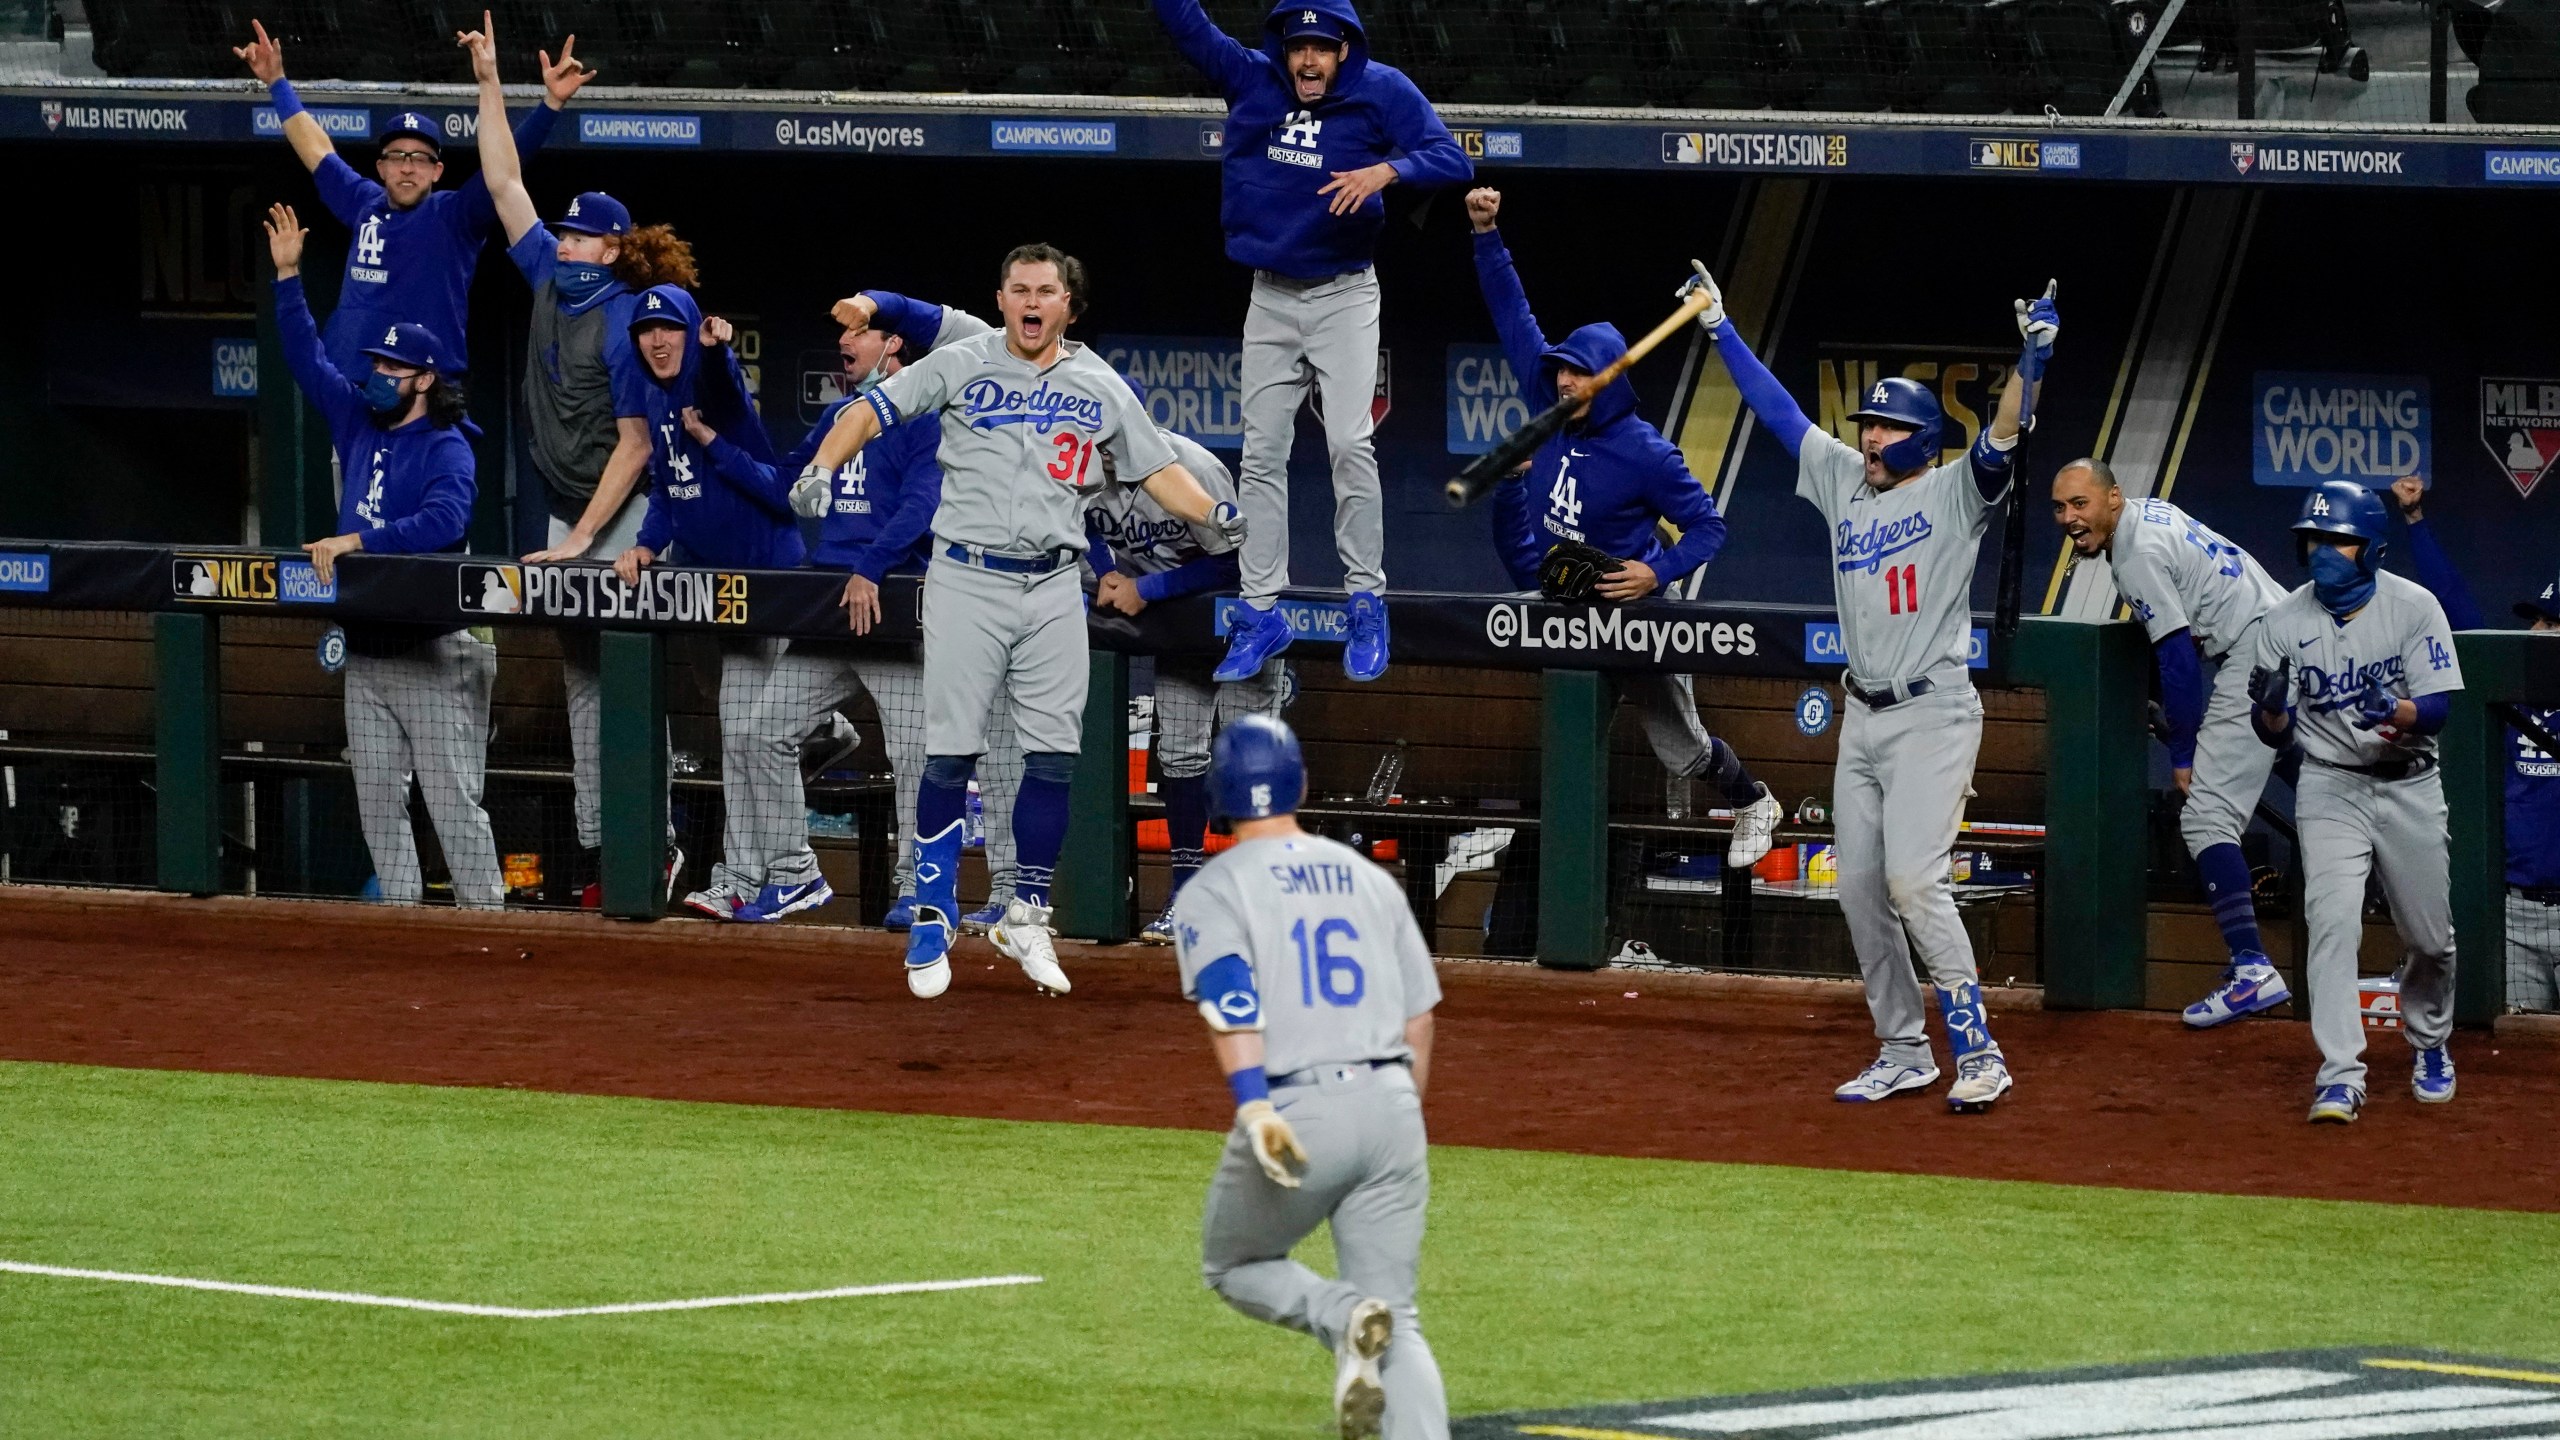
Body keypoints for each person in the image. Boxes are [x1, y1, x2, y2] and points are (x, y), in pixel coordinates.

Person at [800, 244, 1243, 999]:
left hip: (1052, 588)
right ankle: (935, 910)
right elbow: (872, 410)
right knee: (950, 755)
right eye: (1019, 289)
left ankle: (1026, 912)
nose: (1032, 302)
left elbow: (1156, 469)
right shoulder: (963, 360)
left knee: (1054, 758)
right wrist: (819, 468)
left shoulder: (1099, 383)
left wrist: (1213, 511)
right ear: (1001, 299)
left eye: (1046, 291)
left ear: (1069, 305)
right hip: (968, 576)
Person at [1698, 267, 2055, 1112]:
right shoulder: (1842, 482)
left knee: (1914, 884)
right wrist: (1720, 329)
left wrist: (2033, 359)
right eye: (1866, 424)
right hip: (1862, 712)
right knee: (1857, 886)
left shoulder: (1953, 491)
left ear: (1921, 437)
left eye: (1887, 426)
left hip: (1933, 712)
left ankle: (1980, 1052)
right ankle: (1904, 1049)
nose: (1868, 437)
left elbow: (2004, 434)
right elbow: (1779, 414)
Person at [1150, 0, 1473, 686]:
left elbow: (1451, 158)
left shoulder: (1382, 89)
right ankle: (1263, 609)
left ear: (1344, 51)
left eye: (1323, 48)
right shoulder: (1251, 78)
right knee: (1261, 452)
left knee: (1350, 443)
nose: (1308, 60)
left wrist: (1389, 171)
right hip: (1270, 295)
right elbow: (1187, 27)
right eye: (1299, 47)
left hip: (1344, 294)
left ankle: (1366, 598)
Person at [1466, 186, 1783, 866]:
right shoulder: (1546, 397)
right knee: (1568, 732)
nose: (1564, 385)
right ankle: (1528, 837)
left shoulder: (1646, 452)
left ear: (1608, 383)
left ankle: (1754, 799)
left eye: (1580, 376)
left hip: (1628, 604)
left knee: (1683, 746)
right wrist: (1486, 233)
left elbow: (1708, 528)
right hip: (1562, 596)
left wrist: (1655, 573)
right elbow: (1512, 315)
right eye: (1562, 374)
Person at [461, 21, 689, 906]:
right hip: (569, 504)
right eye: (564, 233)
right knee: (584, 682)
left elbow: (636, 447)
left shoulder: (634, 317)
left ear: (616, 249)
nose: (564, 241)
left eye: (582, 237)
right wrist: (496, 83)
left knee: (627, 675)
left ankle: (654, 842)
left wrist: (581, 542)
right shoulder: (552, 281)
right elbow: (502, 179)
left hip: (622, 512)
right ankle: (604, 850)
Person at [1176, 714, 1447, 1440]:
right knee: (1403, 1318)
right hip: (1393, 1103)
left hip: (1299, 1108)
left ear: (1219, 794)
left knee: (1234, 1263)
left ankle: (1340, 1315)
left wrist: (1254, 1106)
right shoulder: (1367, 876)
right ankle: (1369, 1328)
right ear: (1300, 782)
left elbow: (1232, 1001)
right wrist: (1395, 1116)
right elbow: (1420, 1016)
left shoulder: (1213, 887)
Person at [264, 201, 503, 912]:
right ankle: (402, 928)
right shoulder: (357, 418)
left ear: (425, 379)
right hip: (367, 649)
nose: (378, 375)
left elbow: (444, 522)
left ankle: (486, 924)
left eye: (393, 367)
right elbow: (307, 357)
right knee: (377, 807)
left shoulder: (449, 446)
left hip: (432, 648)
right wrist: (287, 279)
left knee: (453, 806)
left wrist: (355, 541)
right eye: (376, 362)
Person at [2246, 480, 2464, 1124]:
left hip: (2410, 782)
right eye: (2312, 539)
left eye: (2337, 541)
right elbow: (2271, 734)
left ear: (2370, 549)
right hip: (2330, 783)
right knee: (2333, 924)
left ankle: (2430, 1042)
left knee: (2431, 939)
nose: (2321, 551)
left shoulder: (2414, 606)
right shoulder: (2284, 620)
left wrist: (2397, 709)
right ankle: (2340, 1071)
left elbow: (2441, 708)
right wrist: (2271, 709)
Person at [2049, 460, 2294, 1027]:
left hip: (2255, 654)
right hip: (2284, 633)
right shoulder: (2149, 512)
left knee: (2206, 819)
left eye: (2080, 504)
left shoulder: (2135, 555)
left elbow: (2180, 659)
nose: (2069, 518)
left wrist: (2182, 755)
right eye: (2060, 507)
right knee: (2329, 786)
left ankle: (2252, 967)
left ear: (2113, 497)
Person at [235, 11, 588, 380]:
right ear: (381, 167)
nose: (407, 167)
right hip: (353, 389)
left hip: (427, 394)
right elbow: (317, 150)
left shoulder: (454, 214)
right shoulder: (363, 202)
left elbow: (505, 170)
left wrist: (550, 106)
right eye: (397, 157)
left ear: (437, 171)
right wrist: (277, 83)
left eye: (420, 158)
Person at [609, 286, 807, 921]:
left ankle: (766, 870)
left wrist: (719, 353)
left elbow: (723, 387)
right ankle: (743, 875)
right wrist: (644, 545)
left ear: (690, 332)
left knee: (754, 735)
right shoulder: (653, 396)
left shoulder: (707, 384)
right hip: (717, 594)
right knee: (739, 734)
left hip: (767, 585)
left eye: (670, 328)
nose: (658, 339)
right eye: (647, 331)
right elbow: (669, 489)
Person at [1083, 415, 1288, 944]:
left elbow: (1239, 563)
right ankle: (1187, 894)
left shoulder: (1192, 468)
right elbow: (1081, 528)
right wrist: (1107, 570)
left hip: (1242, 623)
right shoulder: (1081, 466)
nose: (1103, 448)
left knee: (1251, 763)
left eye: (1112, 438)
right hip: (1181, 633)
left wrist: (1147, 589)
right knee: (1178, 754)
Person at [2385, 475, 2560, 1012]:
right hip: (2514, 916)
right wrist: (2416, 522)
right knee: (2512, 1061)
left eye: (2552, 622)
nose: (2537, 630)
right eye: (2536, 619)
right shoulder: (2507, 699)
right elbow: (2455, 609)